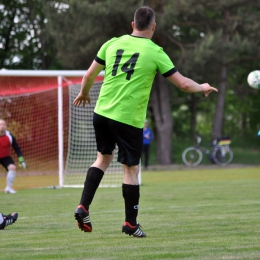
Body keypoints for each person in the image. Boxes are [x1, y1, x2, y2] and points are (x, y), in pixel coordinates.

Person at [73, 6, 218, 238]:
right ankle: (130, 224)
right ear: (153, 27)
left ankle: (83, 205)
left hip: (101, 113)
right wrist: (203, 87)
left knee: (103, 158)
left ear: (132, 25)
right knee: (131, 169)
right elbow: (183, 84)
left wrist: (83, 93)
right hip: (127, 118)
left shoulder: (111, 43)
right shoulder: (155, 51)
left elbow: (89, 75)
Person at [0, 119, 27, 194]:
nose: (1, 126)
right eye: (0, 124)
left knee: (12, 168)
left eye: (3, 124)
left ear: (6, 126)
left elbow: (17, 148)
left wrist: (21, 160)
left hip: (5, 157)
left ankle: (8, 188)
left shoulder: (9, 136)